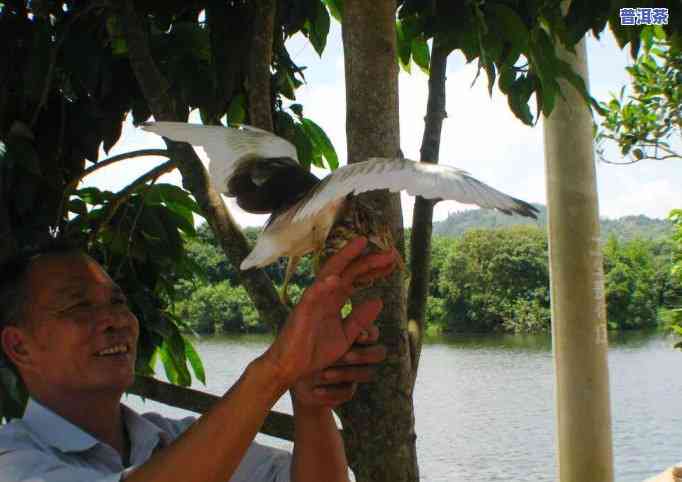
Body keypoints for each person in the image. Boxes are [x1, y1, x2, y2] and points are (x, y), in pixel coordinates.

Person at [0, 236, 397, 482]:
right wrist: (277, 369)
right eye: (78, 306)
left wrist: (310, 403)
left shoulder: (178, 440)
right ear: (19, 346)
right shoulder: (11, 461)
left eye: (118, 301)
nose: (114, 320)